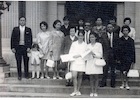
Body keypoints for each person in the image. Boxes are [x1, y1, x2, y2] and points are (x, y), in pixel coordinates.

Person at [116, 25, 135, 90]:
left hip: (128, 58)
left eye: (126, 30)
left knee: (127, 71)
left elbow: (133, 50)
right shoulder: (119, 40)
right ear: (122, 31)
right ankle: (122, 83)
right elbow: (117, 50)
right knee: (122, 71)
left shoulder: (131, 40)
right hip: (121, 58)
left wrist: (133, 60)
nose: (125, 32)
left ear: (128, 31)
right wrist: (117, 58)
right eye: (124, 30)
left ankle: (126, 83)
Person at [100, 23, 119, 88]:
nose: (109, 28)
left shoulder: (116, 35)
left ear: (113, 28)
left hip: (113, 54)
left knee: (113, 70)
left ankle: (113, 83)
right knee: (105, 69)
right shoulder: (103, 35)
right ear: (106, 28)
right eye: (108, 27)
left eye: (111, 27)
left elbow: (117, 46)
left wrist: (117, 55)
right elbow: (102, 46)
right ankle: (103, 82)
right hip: (106, 54)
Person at [69, 30, 87, 96]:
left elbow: (85, 54)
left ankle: (78, 90)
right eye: (79, 35)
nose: (80, 37)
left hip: (82, 61)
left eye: (82, 36)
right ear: (77, 36)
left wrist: (79, 55)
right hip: (74, 61)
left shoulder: (85, 45)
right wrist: (72, 57)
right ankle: (75, 90)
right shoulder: (74, 43)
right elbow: (71, 52)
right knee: (74, 76)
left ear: (83, 36)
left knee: (80, 76)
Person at [85, 32, 103, 97]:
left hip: (96, 61)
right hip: (90, 61)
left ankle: (95, 91)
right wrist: (89, 55)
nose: (91, 38)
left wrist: (94, 54)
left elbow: (100, 54)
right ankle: (91, 91)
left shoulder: (99, 45)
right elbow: (85, 55)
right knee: (91, 77)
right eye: (90, 37)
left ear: (95, 38)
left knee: (96, 77)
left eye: (93, 37)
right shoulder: (88, 45)